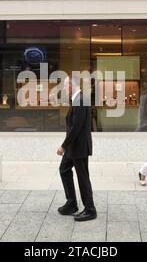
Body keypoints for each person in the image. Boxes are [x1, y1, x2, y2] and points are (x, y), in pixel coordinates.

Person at [57, 76, 97, 221]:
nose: (64, 88)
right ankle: (72, 203)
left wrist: (63, 146)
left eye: (66, 85)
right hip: (73, 147)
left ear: (72, 85)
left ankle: (90, 209)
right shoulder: (78, 99)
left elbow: (76, 127)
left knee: (83, 178)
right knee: (64, 170)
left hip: (78, 147)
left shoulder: (80, 100)